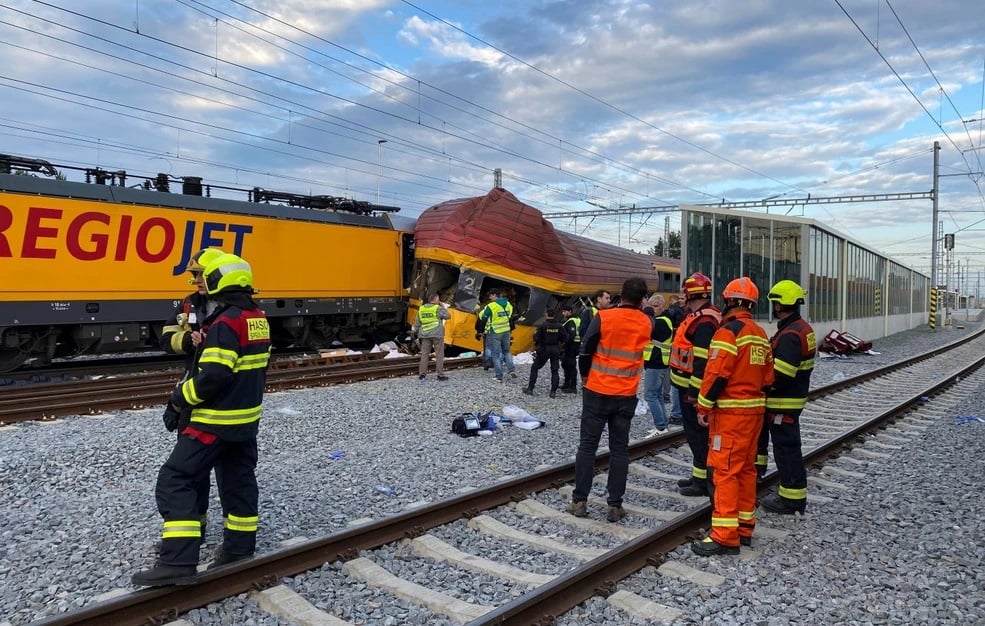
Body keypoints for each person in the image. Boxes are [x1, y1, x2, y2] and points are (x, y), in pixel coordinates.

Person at [133, 252, 272, 586]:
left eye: (203, 275)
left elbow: (213, 377)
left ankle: (178, 561)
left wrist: (178, 399)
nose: (198, 281)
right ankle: (239, 550)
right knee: (238, 481)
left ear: (217, 280)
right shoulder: (257, 317)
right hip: (245, 421)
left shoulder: (225, 323)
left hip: (213, 420)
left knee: (176, 478)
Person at [691, 277, 773, 556]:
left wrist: (703, 407)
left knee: (724, 471)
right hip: (754, 413)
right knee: (746, 470)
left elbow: (716, 374)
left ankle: (725, 536)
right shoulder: (759, 333)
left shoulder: (728, 332)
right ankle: (744, 528)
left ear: (729, 301)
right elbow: (768, 378)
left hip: (730, 414)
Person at [568, 278, 652, 523]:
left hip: (597, 390)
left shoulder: (604, 317)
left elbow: (586, 349)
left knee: (587, 447)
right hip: (625, 394)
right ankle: (615, 505)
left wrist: (585, 375)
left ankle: (579, 501)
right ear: (642, 299)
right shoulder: (646, 322)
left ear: (620, 295)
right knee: (619, 450)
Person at [159, 247, 225, 544]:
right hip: (193, 392)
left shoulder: (232, 308)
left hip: (218, 398)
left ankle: (233, 537)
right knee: (191, 471)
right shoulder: (189, 305)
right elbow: (165, 339)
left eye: (200, 274)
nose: (196, 279)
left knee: (228, 472)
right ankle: (197, 525)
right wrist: (188, 339)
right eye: (194, 274)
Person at [757, 280, 816, 515]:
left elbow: (781, 374)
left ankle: (791, 499)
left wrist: (760, 387)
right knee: (788, 448)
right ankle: (791, 494)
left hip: (783, 402)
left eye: (774, 302)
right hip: (791, 399)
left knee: (786, 450)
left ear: (780, 304)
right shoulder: (800, 328)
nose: (773, 306)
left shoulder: (790, 334)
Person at [669, 273, 722, 497]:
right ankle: (698, 476)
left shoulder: (704, 322)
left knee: (699, 436)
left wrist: (694, 393)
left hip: (693, 390)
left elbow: (702, 362)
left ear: (690, 294)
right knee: (694, 435)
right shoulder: (700, 316)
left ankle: (702, 482)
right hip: (687, 387)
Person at [642, 294, 673, 438]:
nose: (653, 309)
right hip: (657, 362)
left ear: (662, 306)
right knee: (657, 395)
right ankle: (663, 426)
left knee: (650, 395)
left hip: (656, 362)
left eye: (655, 306)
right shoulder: (662, 320)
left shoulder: (661, 322)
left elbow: (646, 332)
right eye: (651, 306)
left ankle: (660, 426)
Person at [522, 308, 568, 398]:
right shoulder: (559, 326)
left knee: (535, 368)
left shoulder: (542, 326)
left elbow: (536, 338)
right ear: (554, 315)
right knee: (555, 371)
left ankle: (530, 388)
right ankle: (553, 392)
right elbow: (565, 338)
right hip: (555, 349)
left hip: (544, 349)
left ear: (546, 315)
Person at [478, 288, 517, 382]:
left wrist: (481, 331)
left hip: (495, 332)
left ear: (494, 295)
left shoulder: (491, 306)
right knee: (506, 351)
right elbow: (510, 316)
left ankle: (499, 376)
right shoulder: (508, 304)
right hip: (506, 331)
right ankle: (511, 370)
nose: (489, 297)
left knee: (495, 354)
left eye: (490, 295)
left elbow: (483, 319)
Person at [413, 292, 451, 381]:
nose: (439, 300)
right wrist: (443, 307)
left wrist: (418, 333)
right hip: (437, 334)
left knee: (424, 354)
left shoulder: (421, 309)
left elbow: (417, 323)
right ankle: (440, 375)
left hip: (425, 334)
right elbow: (448, 316)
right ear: (435, 299)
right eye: (438, 299)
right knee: (439, 354)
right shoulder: (437, 308)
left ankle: (422, 374)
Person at [665, 293, 687, 425]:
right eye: (679, 299)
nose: (680, 301)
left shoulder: (677, 311)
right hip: (680, 354)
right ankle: (678, 413)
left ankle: (677, 414)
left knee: (676, 386)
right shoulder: (687, 313)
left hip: (681, 355)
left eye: (683, 299)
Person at [559, 304, 581, 393]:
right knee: (565, 364)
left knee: (570, 365)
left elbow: (571, 335)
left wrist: (563, 343)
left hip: (571, 346)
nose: (563, 313)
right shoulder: (577, 319)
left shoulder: (571, 321)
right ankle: (567, 383)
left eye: (565, 311)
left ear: (569, 312)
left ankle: (572, 386)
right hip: (576, 345)